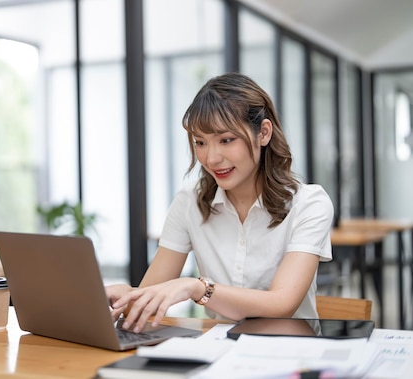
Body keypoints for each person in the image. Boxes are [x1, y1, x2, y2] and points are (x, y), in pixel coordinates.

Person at [107, 72, 334, 333]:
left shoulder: (309, 204)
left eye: (226, 140)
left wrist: (197, 287)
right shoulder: (189, 201)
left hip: (290, 354)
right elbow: (148, 296)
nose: (211, 158)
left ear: (263, 133)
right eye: (200, 142)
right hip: (218, 354)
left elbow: (281, 303)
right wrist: (125, 296)